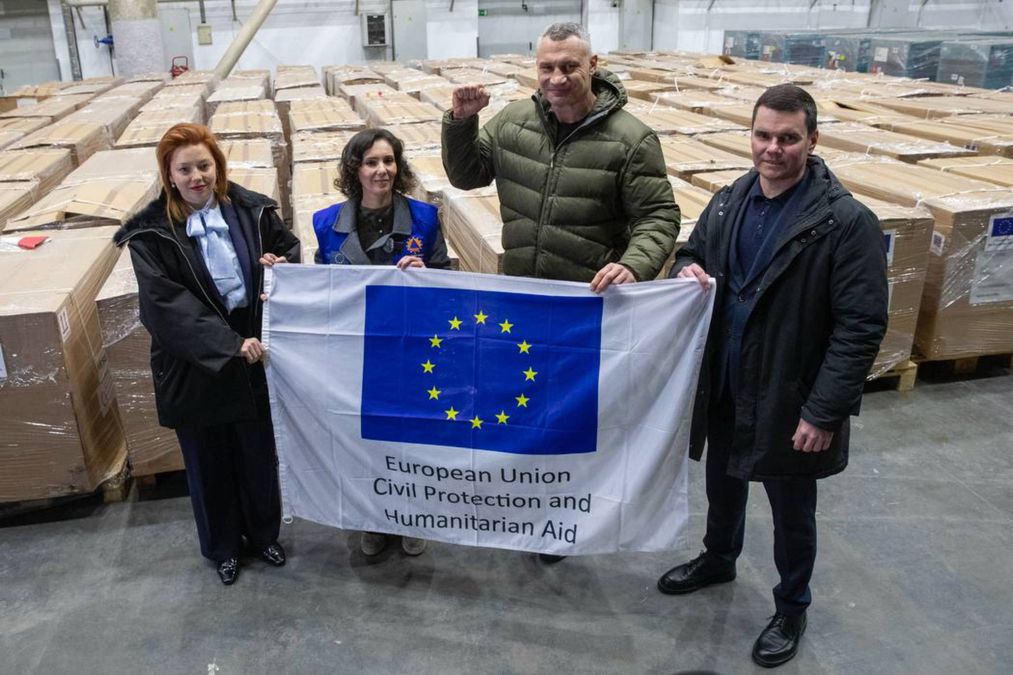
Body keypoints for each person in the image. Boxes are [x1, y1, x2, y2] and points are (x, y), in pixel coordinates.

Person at [657, 84, 888, 667]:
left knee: (791, 508)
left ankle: (791, 605)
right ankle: (719, 558)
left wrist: (824, 410)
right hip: (727, 381)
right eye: (763, 135)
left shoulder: (844, 222)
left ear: (813, 140)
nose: (773, 149)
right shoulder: (730, 201)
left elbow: (860, 327)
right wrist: (687, 270)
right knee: (723, 482)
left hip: (791, 393)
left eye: (788, 138)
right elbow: (692, 251)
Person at [442, 22, 680, 563]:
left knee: (573, 421)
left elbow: (659, 215)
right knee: (522, 408)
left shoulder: (631, 139)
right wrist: (460, 121)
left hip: (585, 310)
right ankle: (524, 505)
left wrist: (633, 265)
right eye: (547, 67)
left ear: (592, 65)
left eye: (569, 66)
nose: (557, 78)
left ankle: (564, 522)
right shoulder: (513, 122)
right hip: (522, 303)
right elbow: (467, 175)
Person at [113, 123, 300, 586]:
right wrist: (227, 344)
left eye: (204, 165)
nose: (197, 177)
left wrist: (279, 266)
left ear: (218, 166)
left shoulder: (252, 211)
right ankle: (223, 547)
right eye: (185, 170)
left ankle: (263, 535)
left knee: (257, 453)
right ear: (169, 176)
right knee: (208, 460)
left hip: (253, 352)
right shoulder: (151, 234)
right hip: (195, 361)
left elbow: (287, 250)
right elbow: (165, 305)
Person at [313, 127, 451, 557]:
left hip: (413, 349)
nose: (381, 170)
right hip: (358, 351)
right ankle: (372, 519)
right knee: (364, 440)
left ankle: (414, 516)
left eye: (389, 161)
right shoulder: (326, 223)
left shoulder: (425, 218)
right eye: (371, 162)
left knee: (412, 437)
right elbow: (320, 287)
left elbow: (446, 278)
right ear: (355, 169)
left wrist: (426, 274)